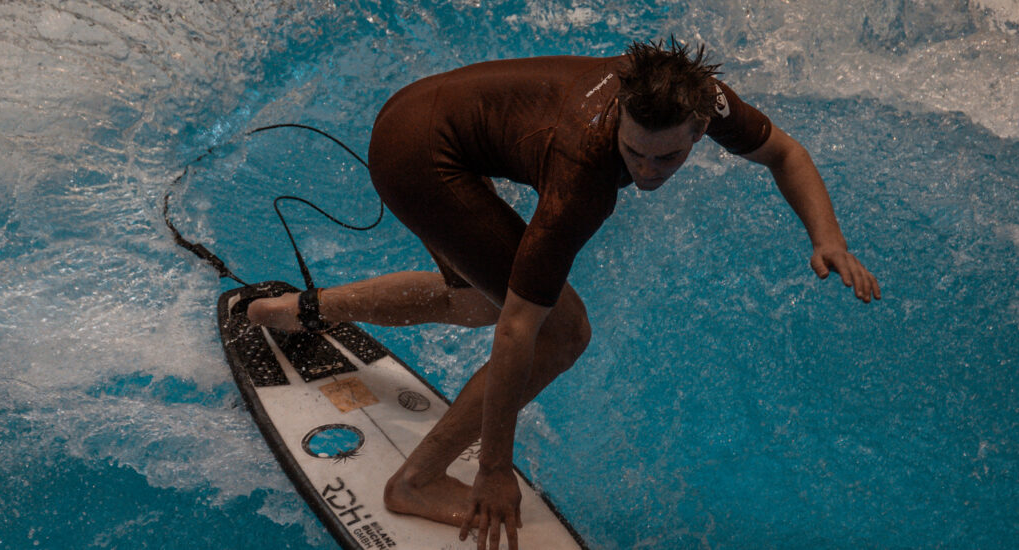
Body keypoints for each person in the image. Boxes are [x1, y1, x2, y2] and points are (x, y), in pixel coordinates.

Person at [247, 39, 881, 549]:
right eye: (634, 152)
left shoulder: (706, 98)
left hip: (419, 112)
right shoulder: (582, 176)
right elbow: (521, 331)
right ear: (621, 124)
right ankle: (416, 482)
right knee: (563, 331)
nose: (647, 172)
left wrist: (829, 239)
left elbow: (785, 153)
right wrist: (495, 469)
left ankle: (293, 314)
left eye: (666, 159)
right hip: (420, 154)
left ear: (699, 128)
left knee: (474, 299)